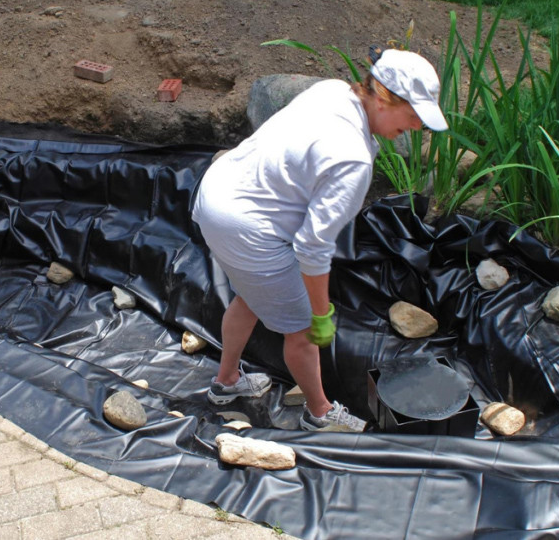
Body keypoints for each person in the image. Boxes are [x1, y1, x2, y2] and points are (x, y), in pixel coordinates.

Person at [192, 49, 449, 431]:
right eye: (412, 115)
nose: (415, 126)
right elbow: (312, 249)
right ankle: (320, 414)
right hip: (247, 226)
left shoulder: (332, 91)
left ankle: (226, 382)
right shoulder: (352, 160)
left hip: (217, 194)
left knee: (248, 296)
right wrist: (320, 313)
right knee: (301, 331)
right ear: (382, 96)